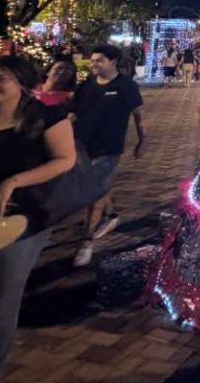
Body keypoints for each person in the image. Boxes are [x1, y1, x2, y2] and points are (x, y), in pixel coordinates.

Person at [0, 56, 76, 383]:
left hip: (19, 223)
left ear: (21, 82)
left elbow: (65, 159)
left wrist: (12, 182)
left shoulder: (45, 117)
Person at [71, 45, 146, 267]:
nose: (94, 64)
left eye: (99, 61)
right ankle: (111, 215)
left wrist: (143, 140)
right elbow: (73, 113)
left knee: (94, 191)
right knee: (98, 185)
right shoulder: (86, 85)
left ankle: (86, 241)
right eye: (92, 60)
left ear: (112, 62)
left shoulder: (126, 86)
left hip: (109, 147)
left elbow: (138, 116)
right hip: (83, 146)